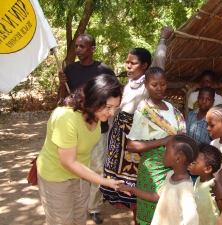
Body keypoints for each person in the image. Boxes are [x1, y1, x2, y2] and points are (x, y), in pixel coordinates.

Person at [100, 28, 174, 220]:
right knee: (119, 179)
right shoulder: (129, 83)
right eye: (127, 62)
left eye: (133, 63)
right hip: (120, 137)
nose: (129, 66)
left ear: (145, 66)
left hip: (134, 136)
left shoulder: (146, 83)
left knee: (135, 180)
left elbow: (159, 61)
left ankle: (139, 216)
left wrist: (162, 39)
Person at [37, 75, 124, 225]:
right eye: (108, 107)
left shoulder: (95, 114)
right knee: (61, 221)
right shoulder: (66, 117)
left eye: (115, 107)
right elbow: (68, 162)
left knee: (79, 219)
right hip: (56, 176)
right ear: (93, 100)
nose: (112, 113)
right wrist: (105, 181)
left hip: (81, 176)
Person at [58, 34, 116, 224]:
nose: (79, 50)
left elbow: (113, 94)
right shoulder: (70, 70)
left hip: (99, 129)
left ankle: (93, 207)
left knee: (97, 167)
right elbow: (62, 100)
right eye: (77, 46)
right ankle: (78, 204)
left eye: (83, 46)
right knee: (75, 165)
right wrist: (61, 84)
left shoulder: (104, 70)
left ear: (93, 48)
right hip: (75, 129)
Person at [124, 67, 186, 225]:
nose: (159, 88)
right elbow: (131, 145)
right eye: (154, 85)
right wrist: (162, 141)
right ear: (146, 85)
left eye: (163, 84)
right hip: (151, 169)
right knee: (148, 211)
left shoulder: (172, 109)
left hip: (174, 166)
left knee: (169, 211)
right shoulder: (143, 111)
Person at [119, 134, 199, 225]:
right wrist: (131, 189)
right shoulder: (171, 175)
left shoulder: (185, 189)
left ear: (178, 159)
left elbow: (192, 219)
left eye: (167, 151)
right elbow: (157, 196)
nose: (163, 154)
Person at [188, 143, 222, 225]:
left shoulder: (214, 186)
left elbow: (221, 210)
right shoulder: (198, 179)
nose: (190, 163)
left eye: (194, 162)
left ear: (207, 169)